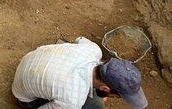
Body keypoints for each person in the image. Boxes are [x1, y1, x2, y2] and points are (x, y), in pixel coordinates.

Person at [12, 37, 148, 109]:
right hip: (24, 97)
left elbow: (80, 39)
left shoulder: (93, 49)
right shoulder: (71, 101)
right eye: (117, 96)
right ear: (105, 88)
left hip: (30, 61)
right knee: (95, 104)